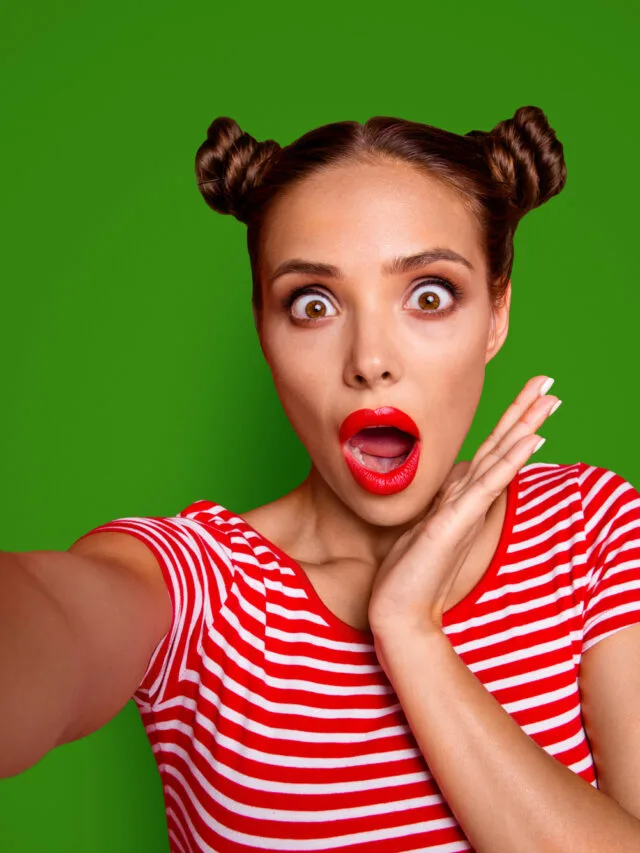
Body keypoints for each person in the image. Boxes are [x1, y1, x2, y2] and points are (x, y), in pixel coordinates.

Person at [2, 106, 640, 853]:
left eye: (429, 295)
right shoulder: (203, 588)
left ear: (497, 311)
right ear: (262, 328)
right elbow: (52, 623)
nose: (370, 358)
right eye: (313, 304)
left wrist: (410, 631)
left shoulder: (588, 526)